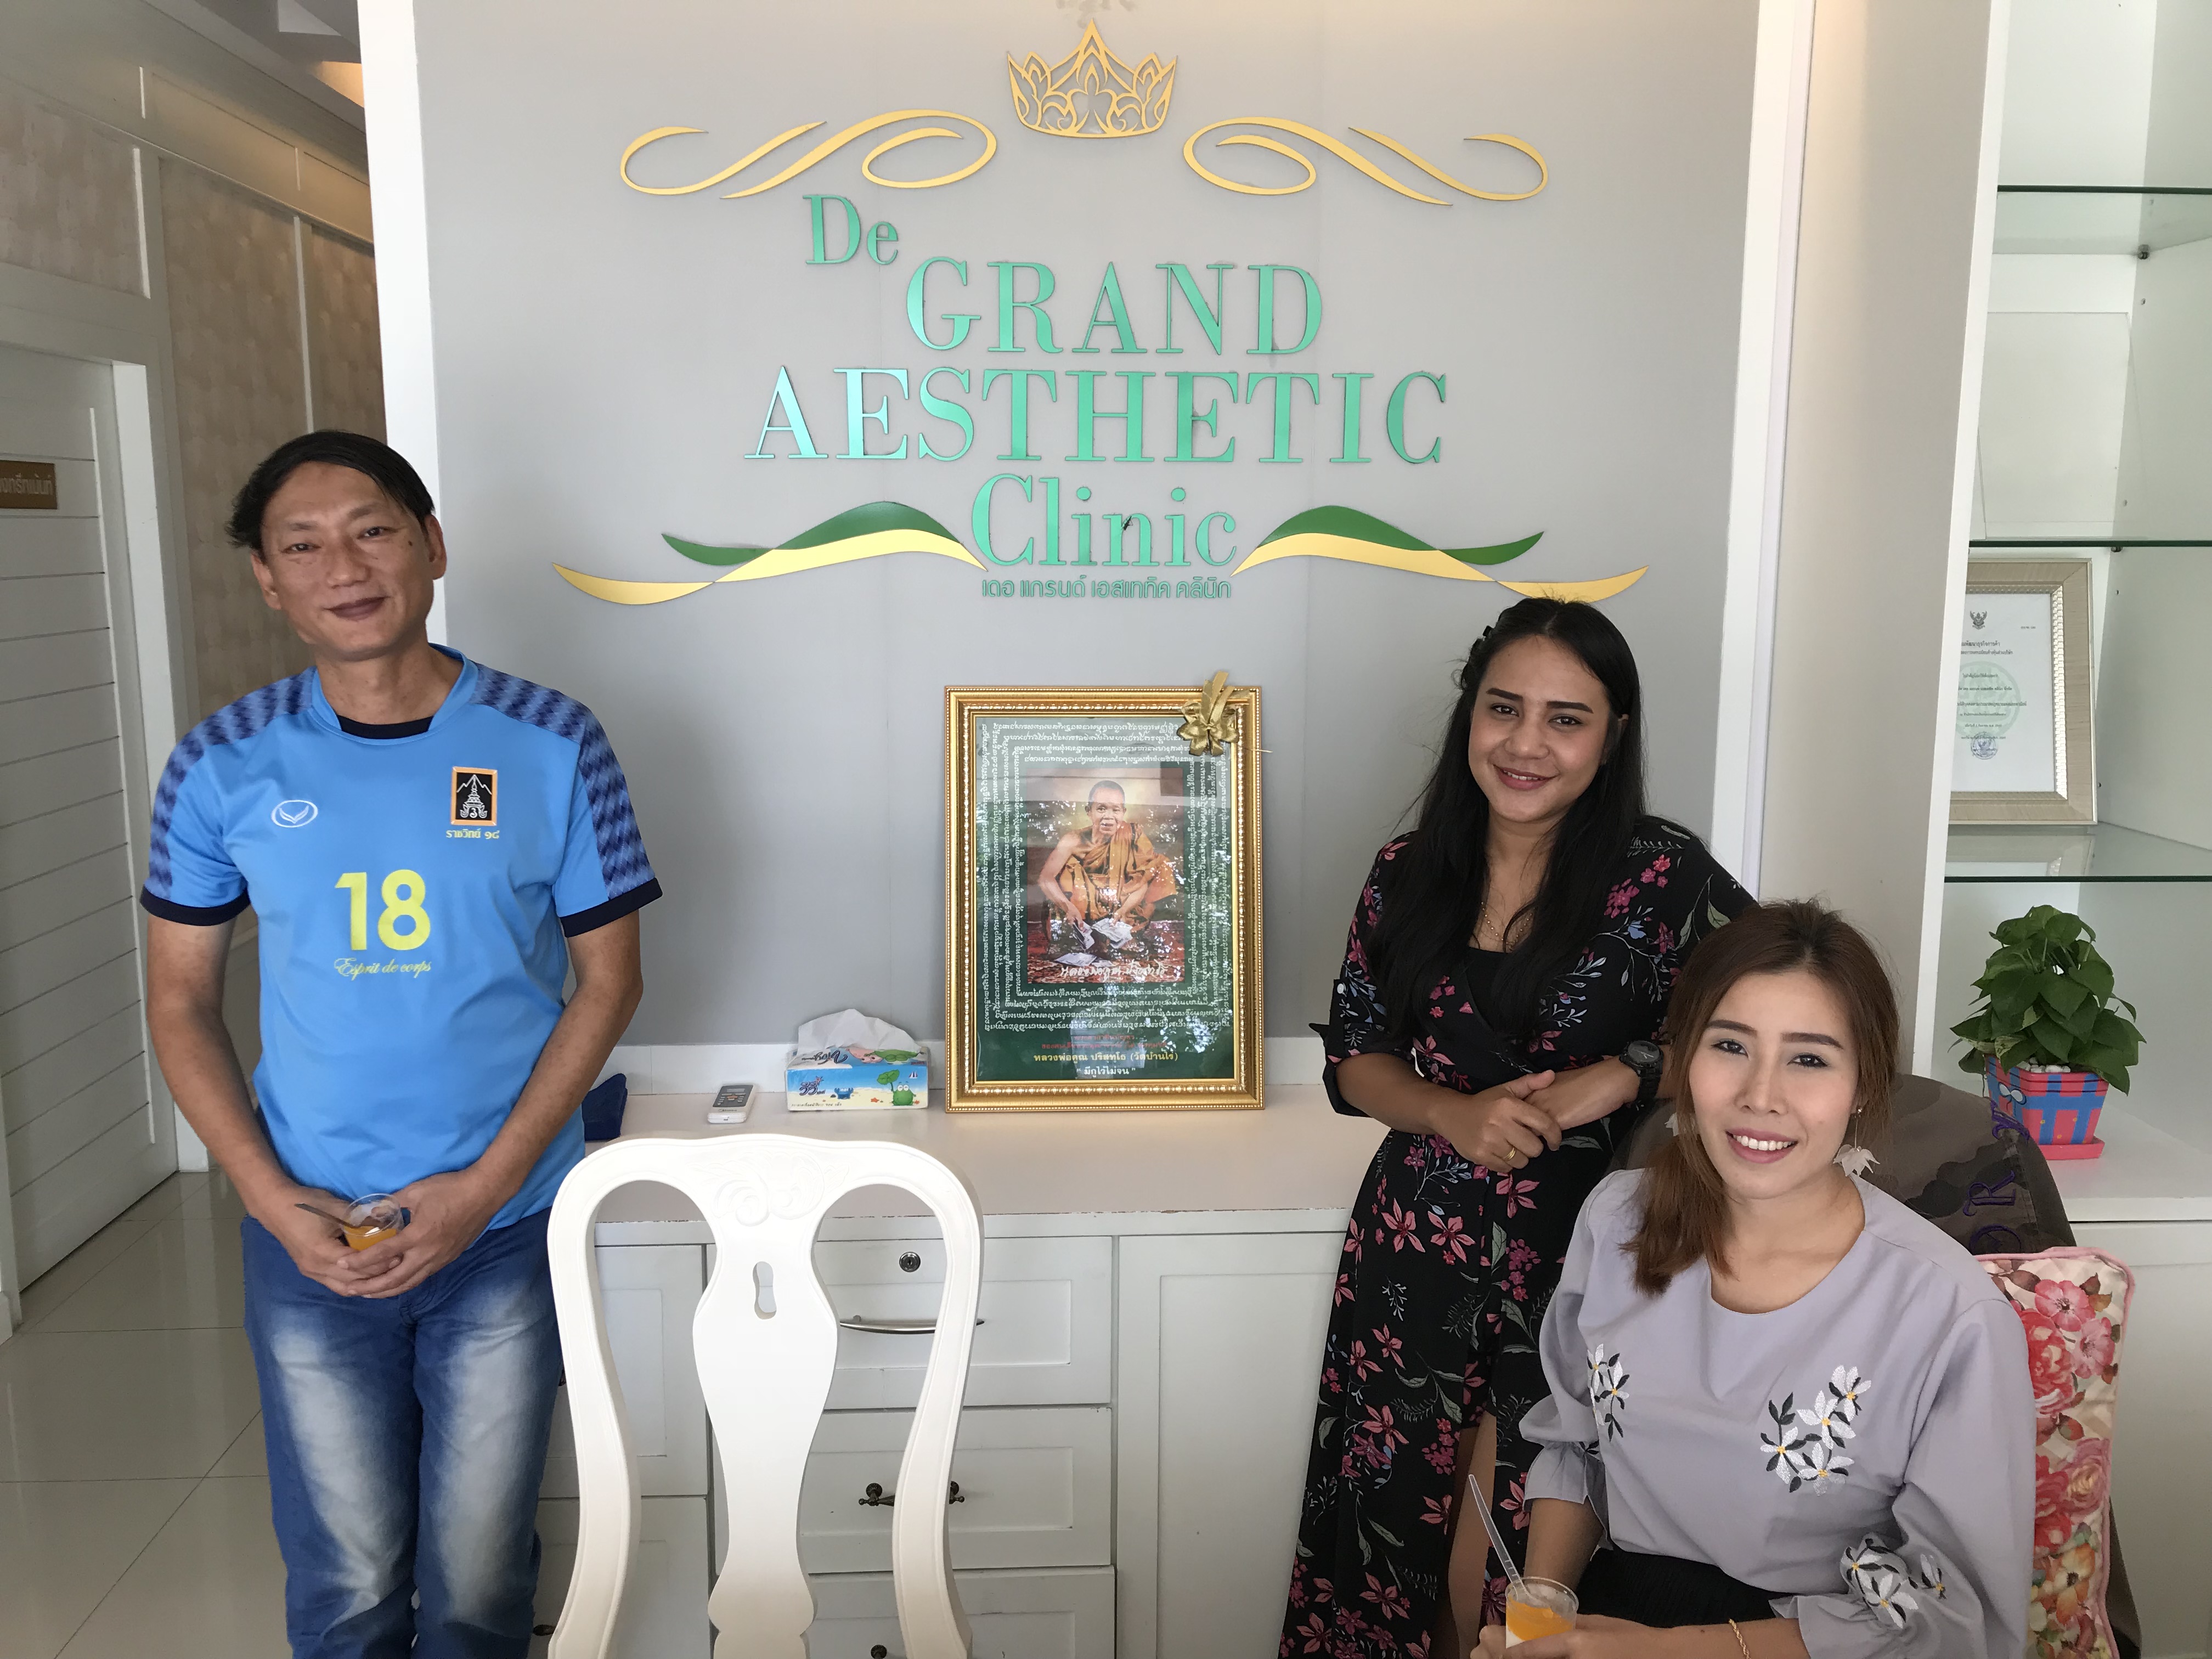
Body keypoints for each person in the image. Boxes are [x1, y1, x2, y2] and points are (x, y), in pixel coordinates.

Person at [139, 431, 661, 1659]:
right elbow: (179, 1001)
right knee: (348, 1581)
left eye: (372, 529)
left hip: (503, 1221)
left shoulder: (553, 740)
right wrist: (270, 1197)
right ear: (268, 580)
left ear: (430, 545)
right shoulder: (220, 763)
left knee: (478, 1580)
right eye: (303, 545)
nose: (345, 566)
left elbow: (609, 982)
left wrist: (483, 1188)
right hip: (312, 1223)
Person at [1281, 598, 1753, 1659]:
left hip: (1587, 1252)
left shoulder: (1664, 874)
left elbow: (1780, 1013)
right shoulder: (1407, 868)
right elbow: (1355, 1054)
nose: (1525, 743)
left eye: (1564, 718)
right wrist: (1450, 1111)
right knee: (1391, 1535)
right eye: (1503, 708)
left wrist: (1622, 1074)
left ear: (1612, 735)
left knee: (1512, 1559)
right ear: (1471, 714)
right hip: (1415, 1246)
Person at [1480, 900, 2033, 1657]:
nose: (1760, 1096)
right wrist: (1541, 1612)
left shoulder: (1949, 1316)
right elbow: (1578, 1445)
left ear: (1864, 1084)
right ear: (1685, 1061)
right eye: (1731, 1046)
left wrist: (1657, 1654)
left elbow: (1955, 1622)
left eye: (1809, 1059)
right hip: (1610, 1617)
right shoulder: (1615, 1222)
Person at [1036, 778, 1179, 957]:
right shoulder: (1073, 840)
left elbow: (1141, 881)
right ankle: (1086, 937)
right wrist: (1068, 907)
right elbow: (1046, 878)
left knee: (1159, 866)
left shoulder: (1133, 835)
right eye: (1101, 809)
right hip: (1083, 905)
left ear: (1123, 812)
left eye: (1116, 810)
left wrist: (1123, 911)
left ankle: (1130, 933)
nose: (1109, 817)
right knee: (1069, 872)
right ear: (1089, 811)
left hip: (1121, 902)